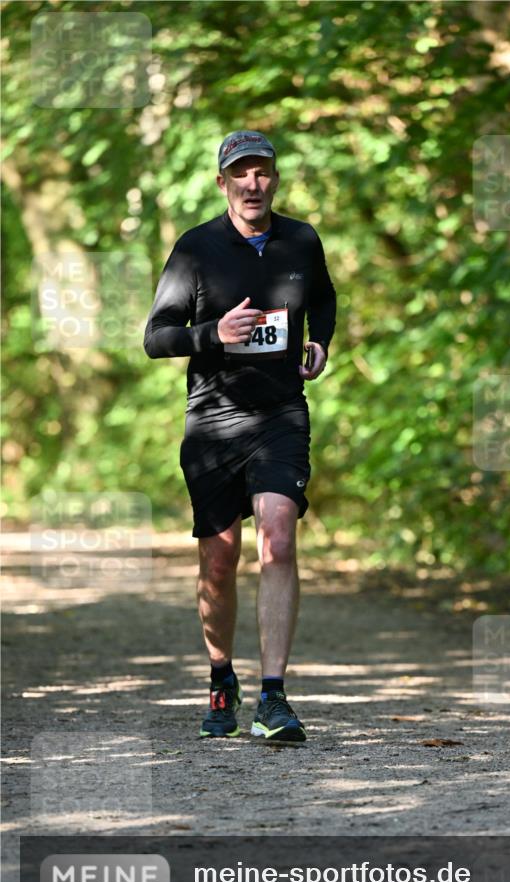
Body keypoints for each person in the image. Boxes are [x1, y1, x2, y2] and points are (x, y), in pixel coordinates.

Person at [144, 129, 336, 743]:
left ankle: (273, 697)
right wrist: (212, 334)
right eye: (241, 173)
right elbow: (157, 336)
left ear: (274, 179)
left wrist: (321, 340)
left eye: (263, 172)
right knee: (220, 558)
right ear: (222, 181)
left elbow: (325, 297)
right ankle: (221, 676)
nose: (253, 183)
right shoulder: (196, 248)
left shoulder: (300, 239)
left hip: (281, 414)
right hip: (213, 423)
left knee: (278, 536)